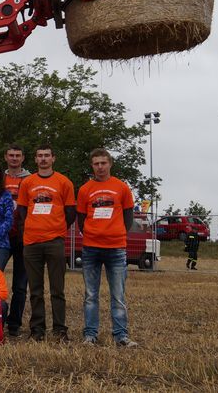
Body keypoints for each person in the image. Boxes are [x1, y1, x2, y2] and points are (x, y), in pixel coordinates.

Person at [76, 148, 138, 347]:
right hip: (91, 249)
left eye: (103, 163)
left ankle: (121, 335)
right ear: (92, 166)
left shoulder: (122, 187)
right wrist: (93, 233)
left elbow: (128, 216)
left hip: (116, 248)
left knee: (118, 295)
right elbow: (81, 219)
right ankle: (90, 335)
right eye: (96, 163)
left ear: (110, 164)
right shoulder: (85, 189)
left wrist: (116, 232)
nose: (100, 167)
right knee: (91, 295)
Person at [16, 144, 75, 342]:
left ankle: (59, 330)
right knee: (35, 290)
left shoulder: (64, 182)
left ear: (53, 158)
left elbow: (70, 213)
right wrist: (31, 228)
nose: (43, 159)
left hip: (54, 241)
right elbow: (22, 211)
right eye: (40, 156)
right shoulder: (27, 182)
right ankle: (37, 330)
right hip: (32, 242)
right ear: (35, 159)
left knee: (57, 289)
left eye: (47, 156)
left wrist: (56, 228)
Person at [2, 144, 31, 337]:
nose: (14, 158)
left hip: (23, 237)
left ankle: (14, 325)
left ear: (23, 158)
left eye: (17, 155)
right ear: (6, 157)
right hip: (2, 236)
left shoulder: (31, 179)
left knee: (20, 285)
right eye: (11, 155)